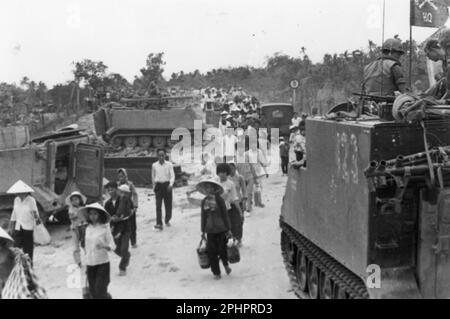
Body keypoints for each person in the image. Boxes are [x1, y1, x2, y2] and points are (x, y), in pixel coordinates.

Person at [198, 180, 232, 280]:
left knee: (222, 249)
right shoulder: (204, 202)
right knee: (212, 252)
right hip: (210, 230)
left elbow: (225, 215)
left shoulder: (220, 200)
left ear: (214, 188)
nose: (208, 189)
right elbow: (203, 216)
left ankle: (226, 265)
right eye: (206, 188)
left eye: (210, 187)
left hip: (221, 229)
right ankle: (216, 272)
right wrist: (203, 231)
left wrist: (228, 229)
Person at [80, 203, 114, 299]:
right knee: (93, 292)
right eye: (90, 214)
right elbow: (85, 246)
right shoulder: (87, 228)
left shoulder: (105, 227)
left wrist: (104, 246)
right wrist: (84, 262)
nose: (93, 216)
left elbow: (112, 245)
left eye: (95, 214)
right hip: (90, 263)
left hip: (102, 263)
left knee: (100, 290)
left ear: (100, 215)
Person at [7, 181, 40, 262]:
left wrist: (39, 226)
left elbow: (36, 214)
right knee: (15, 247)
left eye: (21, 192)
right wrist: (10, 226)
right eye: (18, 192)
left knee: (28, 249)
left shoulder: (31, 200)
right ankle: (17, 265)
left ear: (25, 192)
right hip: (18, 226)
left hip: (28, 228)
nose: (19, 194)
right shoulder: (16, 200)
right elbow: (14, 214)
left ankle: (28, 267)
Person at [214, 164, 243, 241]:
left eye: (224, 172)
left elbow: (235, 198)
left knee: (231, 227)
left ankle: (234, 242)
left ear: (227, 173)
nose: (222, 174)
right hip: (217, 210)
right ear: (217, 173)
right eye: (220, 172)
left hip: (227, 210)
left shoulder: (230, 184)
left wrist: (240, 212)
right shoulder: (215, 183)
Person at [111, 184, 133, 276]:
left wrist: (119, 217)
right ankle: (127, 256)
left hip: (126, 227)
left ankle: (122, 267)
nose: (122, 194)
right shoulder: (113, 201)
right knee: (117, 249)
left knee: (124, 248)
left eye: (124, 192)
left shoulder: (126, 200)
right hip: (116, 227)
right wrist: (114, 219)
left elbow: (128, 212)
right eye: (121, 192)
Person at [152, 149, 175, 231]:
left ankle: (167, 219)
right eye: (159, 155)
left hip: (167, 186)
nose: (161, 157)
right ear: (157, 156)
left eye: (163, 155)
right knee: (158, 205)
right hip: (158, 186)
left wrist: (171, 184)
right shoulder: (154, 165)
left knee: (168, 204)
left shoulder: (169, 164)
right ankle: (159, 223)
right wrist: (154, 187)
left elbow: (172, 176)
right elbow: (153, 176)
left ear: (165, 155)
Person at [117, 168, 138, 248]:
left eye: (123, 176)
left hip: (130, 207)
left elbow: (135, 194)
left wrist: (135, 206)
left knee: (132, 226)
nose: (121, 178)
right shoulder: (118, 186)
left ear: (126, 176)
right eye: (119, 176)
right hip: (121, 208)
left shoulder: (130, 184)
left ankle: (133, 242)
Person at [66, 191, 87, 266]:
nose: (74, 201)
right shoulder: (71, 209)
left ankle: (89, 259)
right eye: (73, 200)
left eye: (76, 199)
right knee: (75, 245)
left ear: (80, 200)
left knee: (86, 244)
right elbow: (71, 217)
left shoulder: (84, 208)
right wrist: (78, 214)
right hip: (75, 229)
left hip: (84, 227)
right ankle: (78, 261)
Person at [229, 164, 246, 246]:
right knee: (231, 222)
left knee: (239, 222)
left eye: (232, 168)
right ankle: (233, 238)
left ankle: (239, 238)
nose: (231, 170)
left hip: (239, 202)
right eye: (229, 169)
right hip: (229, 204)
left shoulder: (240, 178)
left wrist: (245, 202)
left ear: (235, 168)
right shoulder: (226, 178)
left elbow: (244, 190)